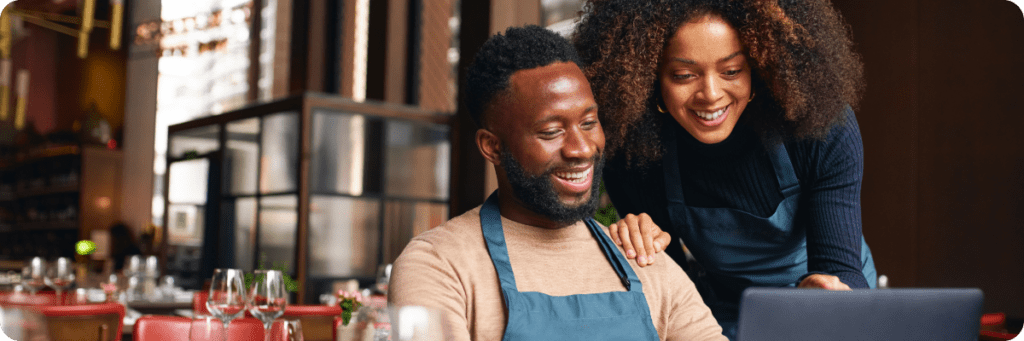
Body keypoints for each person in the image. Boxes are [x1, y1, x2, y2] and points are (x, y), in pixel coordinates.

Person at [388, 25, 726, 341]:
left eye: (589, 122)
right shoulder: (439, 265)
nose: (581, 149)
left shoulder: (643, 259)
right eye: (551, 132)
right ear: (492, 147)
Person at [572, 0, 877, 338]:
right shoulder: (635, 154)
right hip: (726, 311)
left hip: (827, 303)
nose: (711, 95)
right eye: (684, 75)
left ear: (759, 67)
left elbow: (841, 272)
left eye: (731, 71)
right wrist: (638, 246)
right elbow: (671, 293)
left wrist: (823, 295)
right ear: (649, 76)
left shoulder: (818, 128)